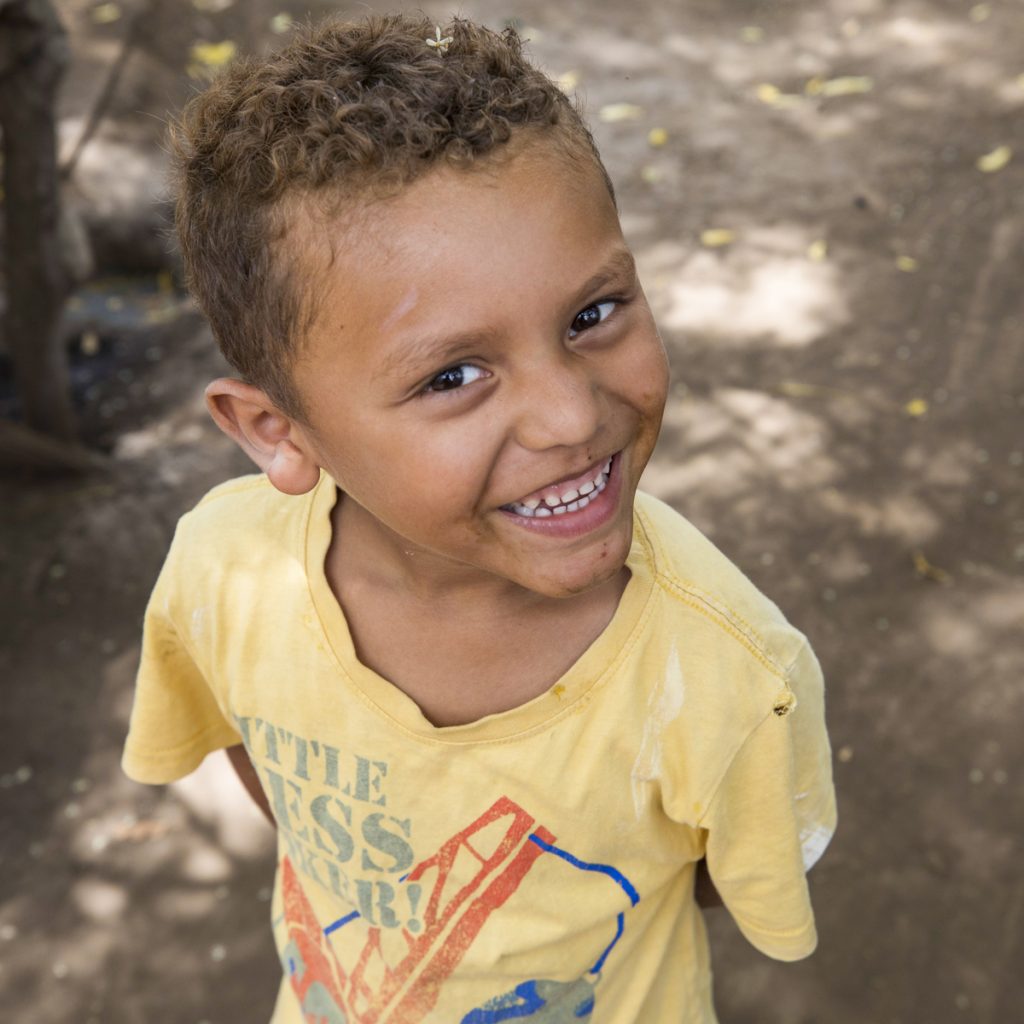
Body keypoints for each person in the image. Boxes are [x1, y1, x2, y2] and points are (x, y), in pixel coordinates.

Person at [122, 12, 836, 1023]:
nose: (571, 414)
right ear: (278, 431)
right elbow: (253, 743)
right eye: (453, 374)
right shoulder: (222, 573)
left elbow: (717, 875)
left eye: (592, 315)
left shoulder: (731, 673)